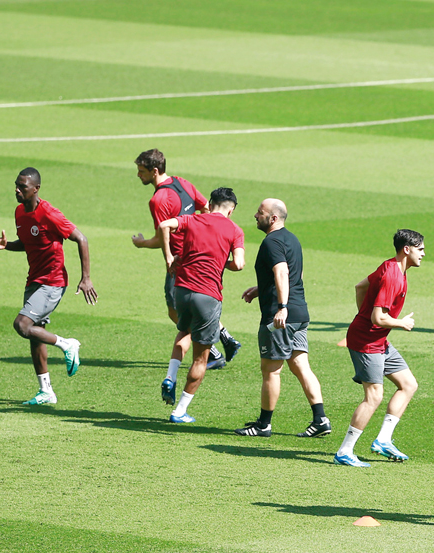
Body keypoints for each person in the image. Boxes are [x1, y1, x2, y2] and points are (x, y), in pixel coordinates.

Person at [130, 149, 241, 400]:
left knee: (179, 313)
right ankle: (223, 339)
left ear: (154, 171)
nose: (138, 175)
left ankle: (214, 348)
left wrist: (143, 244)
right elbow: (206, 209)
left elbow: (162, 237)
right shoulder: (183, 182)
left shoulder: (158, 201)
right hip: (199, 257)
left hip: (182, 263)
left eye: (141, 171)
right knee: (191, 310)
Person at [0, 168, 98, 405]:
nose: (17, 190)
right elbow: (29, 244)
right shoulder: (20, 212)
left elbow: (81, 238)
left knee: (22, 324)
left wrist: (86, 278)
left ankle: (68, 344)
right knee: (35, 336)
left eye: (22, 187)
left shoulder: (50, 214)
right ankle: (46, 391)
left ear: (35, 189)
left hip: (53, 282)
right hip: (34, 280)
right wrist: (7, 246)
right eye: (16, 185)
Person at [237, 199, 330, 438]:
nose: (256, 215)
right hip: (300, 313)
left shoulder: (272, 242)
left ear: (274, 218)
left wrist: (282, 307)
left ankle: (263, 425)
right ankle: (321, 420)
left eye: (260, 212)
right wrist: (261, 288)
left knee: (271, 370)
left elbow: (282, 271)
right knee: (300, 366)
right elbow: (292, 273)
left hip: (282, 317)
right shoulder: (292, 239)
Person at [334, 230, 424, 467]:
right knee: (373, 396)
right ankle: (345, 450)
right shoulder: (393, 276)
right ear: (407, 249)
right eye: (420, 248)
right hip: (366, 342)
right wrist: (401, 322)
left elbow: (360, 287)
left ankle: (383, 440)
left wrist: (361, 315)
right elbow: (378, 317)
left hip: (378, 341)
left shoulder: (390, 267)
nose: (423, 253)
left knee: (408, 384)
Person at [157, 187, 244, 423]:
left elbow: (165, 225)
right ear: (231, 209)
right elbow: (239, 264)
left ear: (211, 203)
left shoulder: (193, 219)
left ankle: (170, 376)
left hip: (182, 291)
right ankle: (179, 411)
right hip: (208, 295)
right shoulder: (234, 229)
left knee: (183, 331)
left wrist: (168, 256)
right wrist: (219, 260)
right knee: (200, 359)